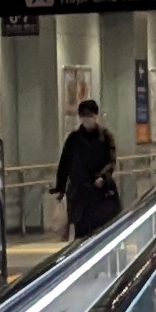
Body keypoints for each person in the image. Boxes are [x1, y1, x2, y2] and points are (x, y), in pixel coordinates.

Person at [51, 94, 122, 239]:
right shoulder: (74, 139)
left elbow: (111, 161)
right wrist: (60, 188)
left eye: (89, 116)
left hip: (100, 192)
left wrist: (103, 177)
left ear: (96, 116)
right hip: (80, 194)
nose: (86, 120)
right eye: (83, 117)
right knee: (82, 233)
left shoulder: (105, 137)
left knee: (102, 232)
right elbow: (64, 164)